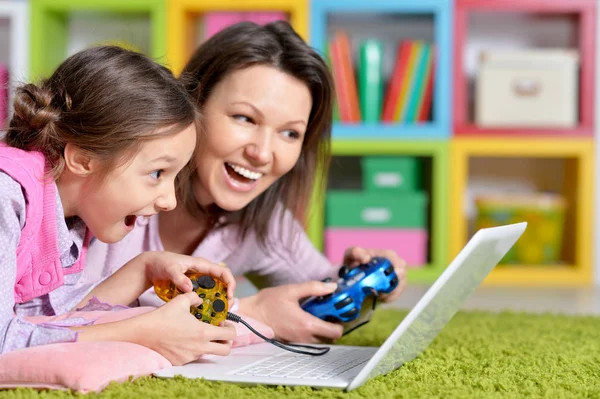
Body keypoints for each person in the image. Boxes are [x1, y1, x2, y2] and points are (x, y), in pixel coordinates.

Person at [84, 22, 407, 344]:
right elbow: (49, 324)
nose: (262, 153)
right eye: (245, 118)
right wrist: (251, 314)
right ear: (192, 104)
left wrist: (361, 278)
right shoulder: (111, 186)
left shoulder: (264, 223)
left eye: (290, 133)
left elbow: (316, 287)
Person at [0, 45, 236, 365]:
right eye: (157, 173)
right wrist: (137, 332)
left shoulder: (69, 211)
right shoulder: (6, 199)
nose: (170, 201)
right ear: (83, 159)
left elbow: (48, 317)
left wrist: (146, 269)